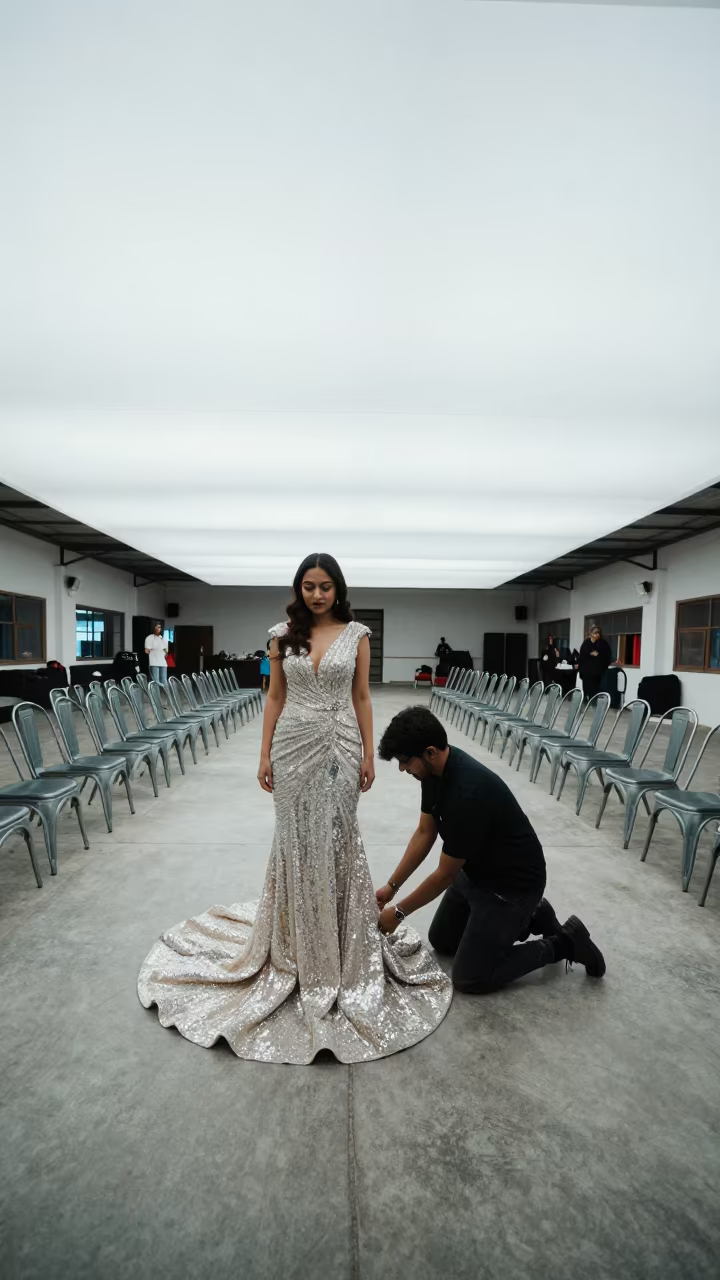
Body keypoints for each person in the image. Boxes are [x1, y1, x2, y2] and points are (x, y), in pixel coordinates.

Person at [138, 553, 451, 1064]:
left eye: (325, 586)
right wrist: (263, 752)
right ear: (299, 588)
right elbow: (275, 696)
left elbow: (363, 697)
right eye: (309, 585)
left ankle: (339, 946)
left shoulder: (358, 635)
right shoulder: (282, 635)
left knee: (337, 837)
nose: (317, 594)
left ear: (338, 589)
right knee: (295, 842)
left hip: (342, 745)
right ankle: (294, 943)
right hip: (292, 745)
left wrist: (368, 752)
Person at [375, 706, 605, 993]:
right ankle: (535, 916)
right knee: (443, 940)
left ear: (430, 752)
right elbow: (425, 832)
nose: (401, 768)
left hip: (511, 887)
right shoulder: (434, 773)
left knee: (471, 977)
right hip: (476, 873)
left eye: (405, 761)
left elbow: (445, 874)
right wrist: (392, 887)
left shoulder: (468, 792)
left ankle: (565, 943)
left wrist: (398, 913)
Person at [578, 626, 612, 702]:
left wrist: (598, 654)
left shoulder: (603, 643)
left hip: (597, 672)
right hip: (586, 671)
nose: (596, 635)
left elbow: (607, 656)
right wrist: (590, 654)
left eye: (597, 633)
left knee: (595, 689)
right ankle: (586, 699)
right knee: (587, 687)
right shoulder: (586, 643)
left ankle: (594, 700)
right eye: (594, 633)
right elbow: (582, 655)